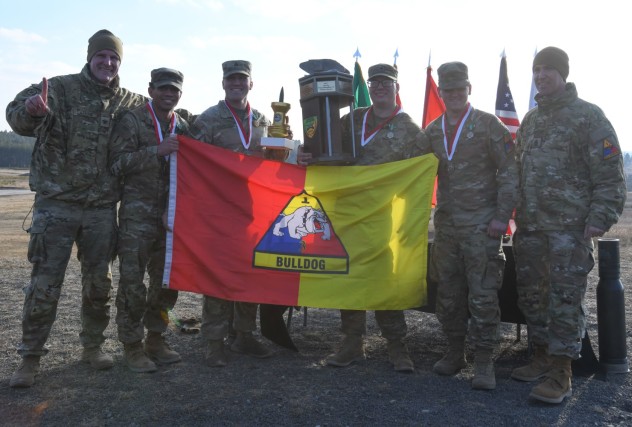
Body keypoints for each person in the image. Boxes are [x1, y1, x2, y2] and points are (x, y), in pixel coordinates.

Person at [6, 29, 147, 388]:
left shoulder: (130, 102)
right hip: (57, 206)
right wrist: (32, 111)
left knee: (99, 284)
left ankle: (93, 347)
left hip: (101, 209)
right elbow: (16, 116)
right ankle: (30, 358)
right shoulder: (60, 88)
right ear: (90, 57)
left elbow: (165, 121)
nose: (108, 63)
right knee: (44, 285)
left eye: (114, 57)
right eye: (102, 56)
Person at [511, 47, 626, 403]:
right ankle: (543, 356)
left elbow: (610, 175)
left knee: (564, 301)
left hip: (569, 230)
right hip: (531, 229)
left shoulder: (588, 117)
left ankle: (562, 375)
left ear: (563, 74)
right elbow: (517, 170)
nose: (541, 75)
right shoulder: (531, 120)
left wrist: (599, 218)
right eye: (537, 69)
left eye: (548, 69)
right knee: (532, 297)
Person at [298, 63, 427, 373]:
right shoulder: (354, 119)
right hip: (346, 212)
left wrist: (410, 220)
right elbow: (324, 147)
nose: (380, 87)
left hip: (383, 216)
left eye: (386, 83)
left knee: (384, 279)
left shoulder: (410, 129)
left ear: (397, 87)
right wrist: (305, 153)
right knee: (350, 277)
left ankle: (397, 344)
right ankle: (352, 343)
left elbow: (420, 175)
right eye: (375, 83)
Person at [423, 61, 517, 390]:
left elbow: (509, 171)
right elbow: (409, 167)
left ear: (469, 89)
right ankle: (453, 352)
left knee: (483, 296)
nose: (453, 95)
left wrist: (502, 216)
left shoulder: (489, 125)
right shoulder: (433, 131)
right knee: (447, 294)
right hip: (447, 228)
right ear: (441, 92)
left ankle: (485, 361)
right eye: (447, 90)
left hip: (483, 227)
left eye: (459, 89)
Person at [188, 60, 273, 367]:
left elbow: (274, 162)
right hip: (219, 212)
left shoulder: (264, 120)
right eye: (231, 79)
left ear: (251, 83)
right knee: (218, 275)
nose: (237, 83)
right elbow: (192, 162)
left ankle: (245, 334)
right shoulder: (209, 120)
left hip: (253, 212)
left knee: (251, 272)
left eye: (242, 79)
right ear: (223, 84)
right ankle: (214, 340)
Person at [108, 68, 189, 372]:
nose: (169, 94)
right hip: (136, 218)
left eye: (174, 90)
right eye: (163, 89)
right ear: (151, 89)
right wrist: (156, 151)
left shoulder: (183, 124)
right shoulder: (132, 120)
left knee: (166, 282)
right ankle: (131, 346)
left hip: (170, 218)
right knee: (132, 284)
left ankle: (156, 338)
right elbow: (115, 164)